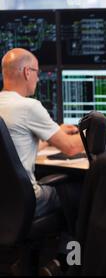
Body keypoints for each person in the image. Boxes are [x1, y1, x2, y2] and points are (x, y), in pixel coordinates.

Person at [0, 48, 85, 218]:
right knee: (84, 191)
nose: (38, 79)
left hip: (4, 204)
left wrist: (54, 134)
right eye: (37, 73)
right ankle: (75, 245)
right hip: (28, 202)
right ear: (27, 72)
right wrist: (98, 131)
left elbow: (12, 152)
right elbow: (70, 148)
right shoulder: (28, 106)